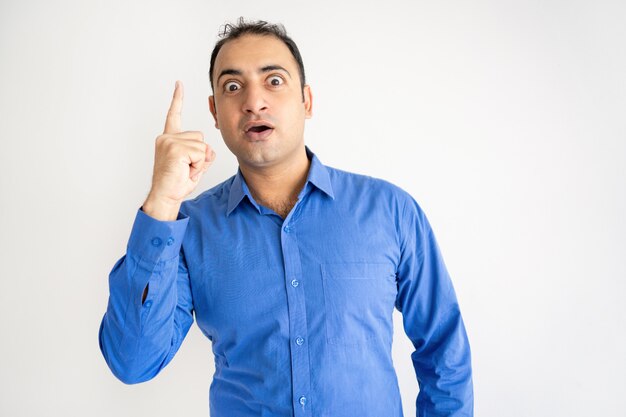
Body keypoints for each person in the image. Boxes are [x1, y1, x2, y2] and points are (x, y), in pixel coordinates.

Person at [99, 18, 473, 417]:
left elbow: (443, 350)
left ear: (306, 101)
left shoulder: (390, 210)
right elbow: (132, 362)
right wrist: (161, 200)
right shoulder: (189, 228)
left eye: (273, 81)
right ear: (214, 111)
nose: (253, 102)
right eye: (232, 86)